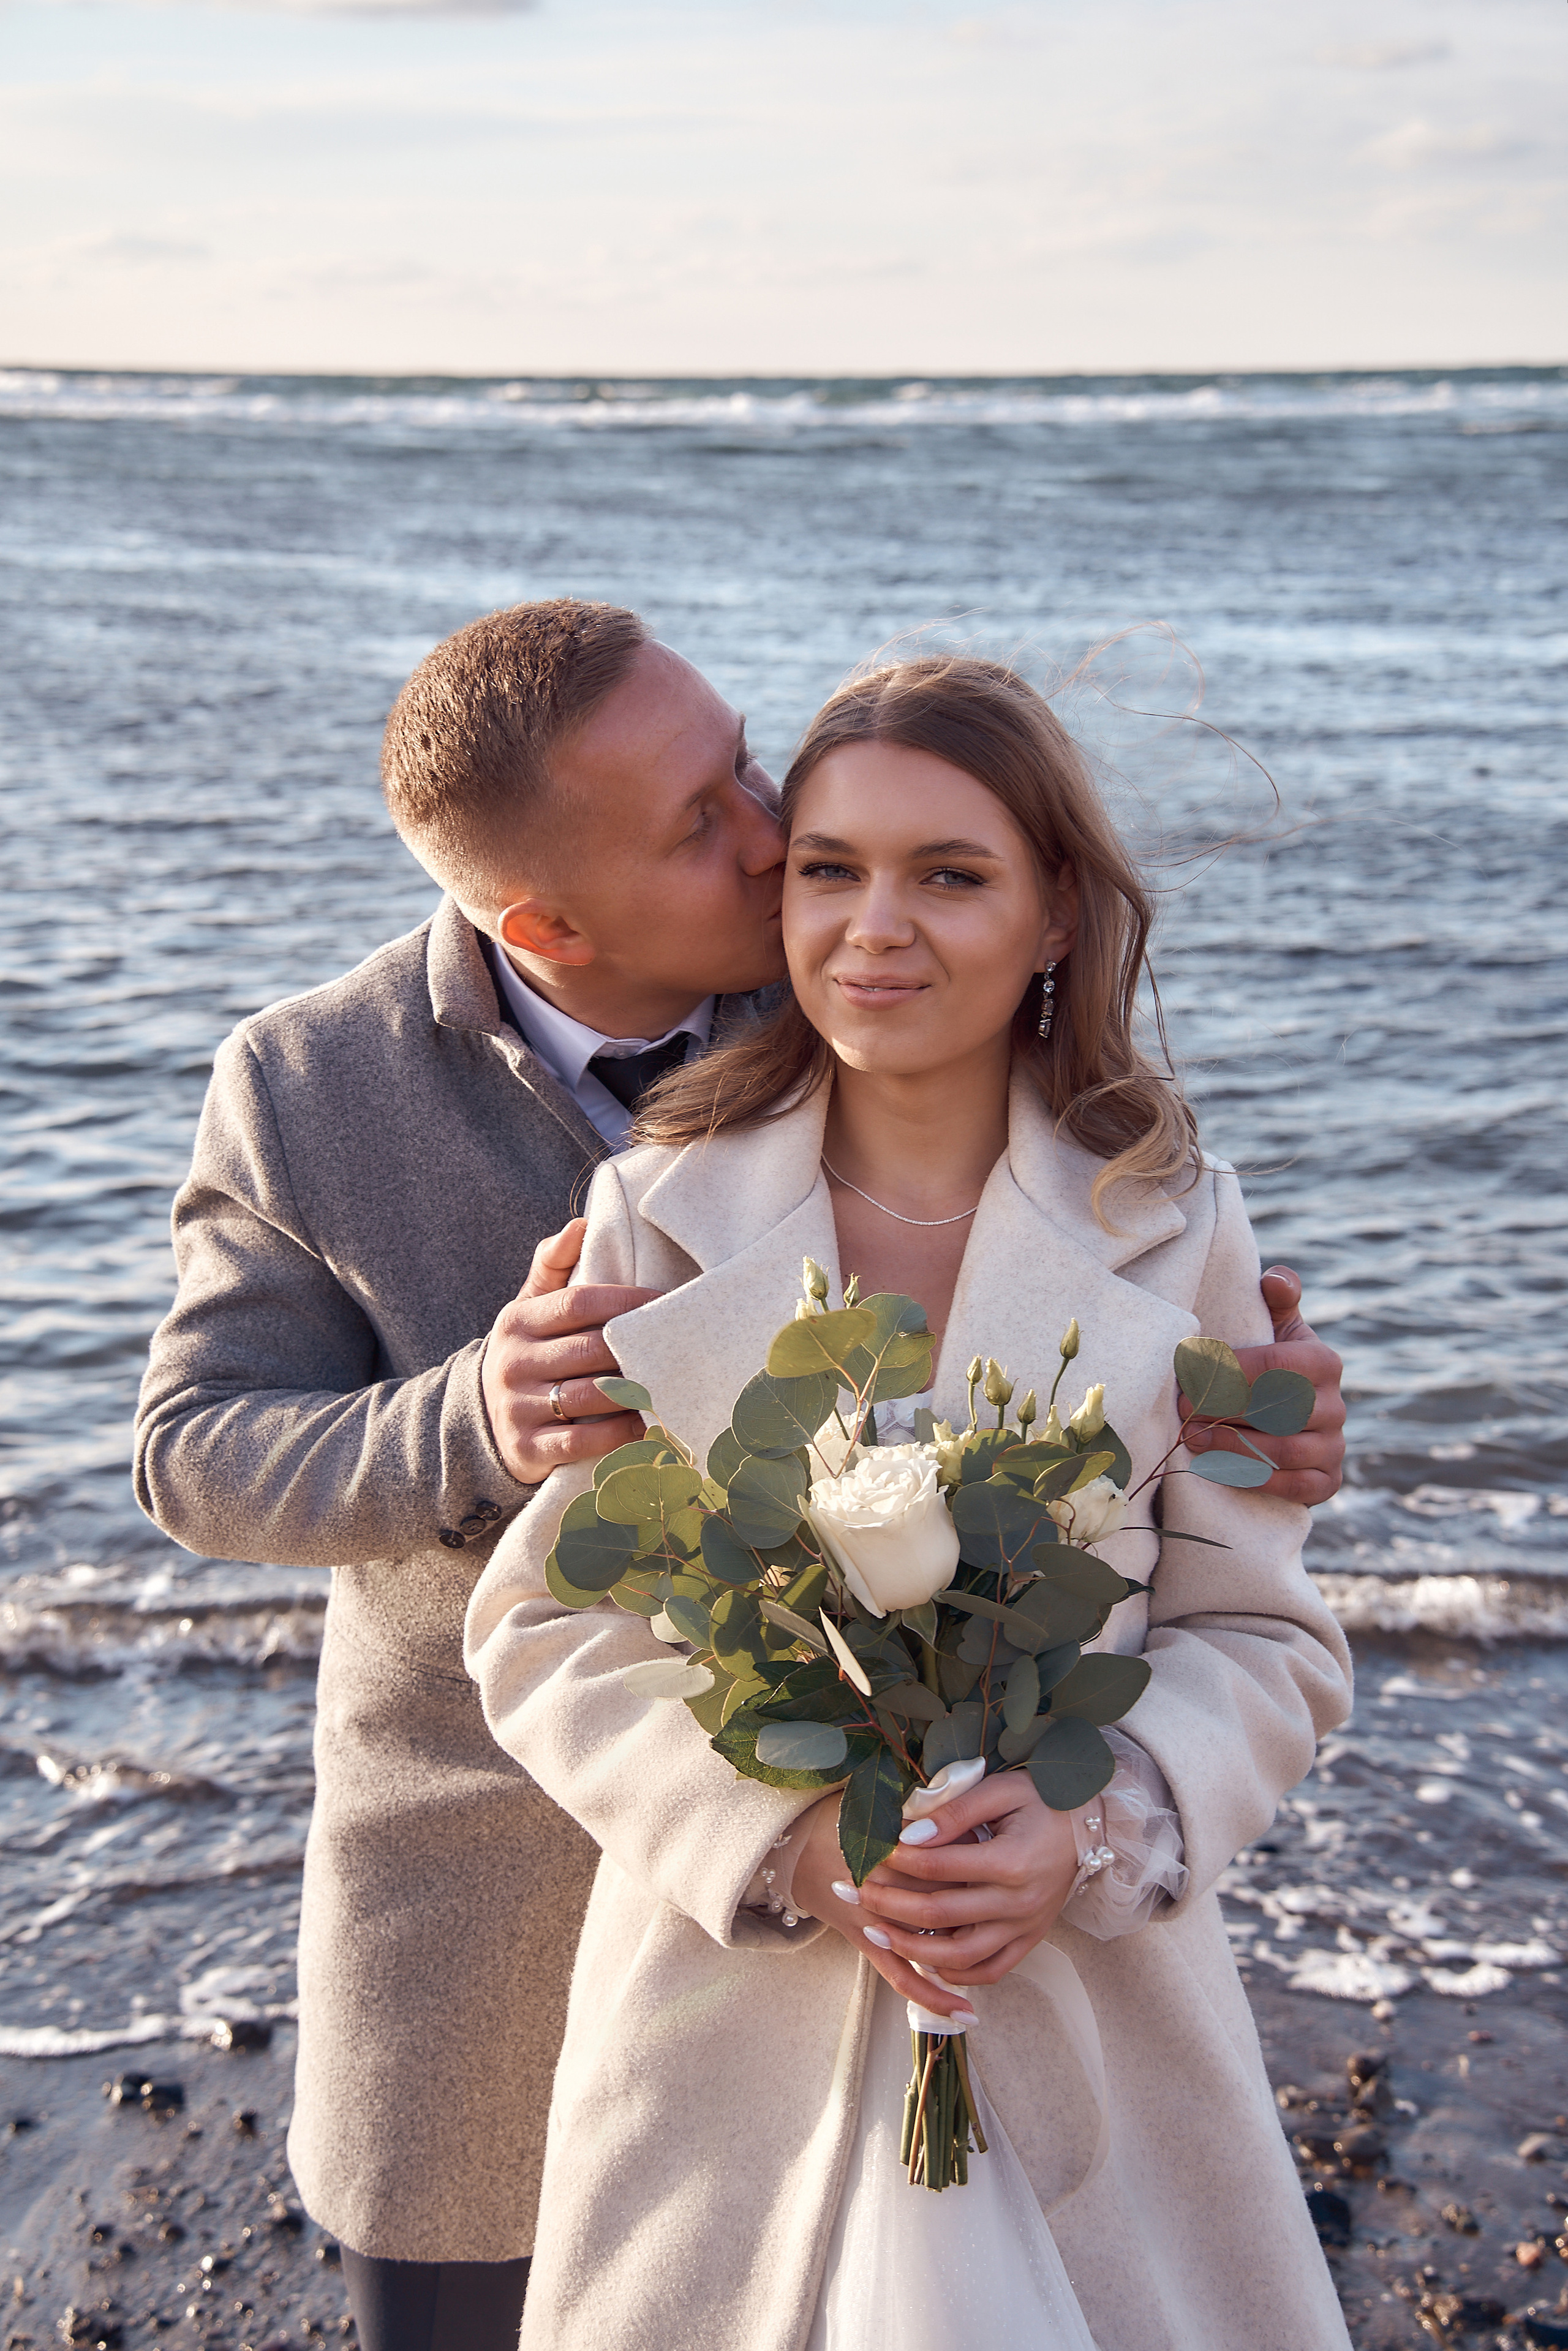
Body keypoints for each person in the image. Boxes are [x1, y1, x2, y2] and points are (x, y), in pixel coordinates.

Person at [134, 602, 1346, 2351]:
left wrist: (1255, 1449)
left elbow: (1238, 1585)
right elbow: (205, 1459)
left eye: (745, 769)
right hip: (503, 1854)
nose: (785, 850)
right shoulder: (323, 1087)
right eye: (724, 828)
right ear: (546, 921)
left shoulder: (948, 1033)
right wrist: (478, 1416)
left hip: (1030, 1968)